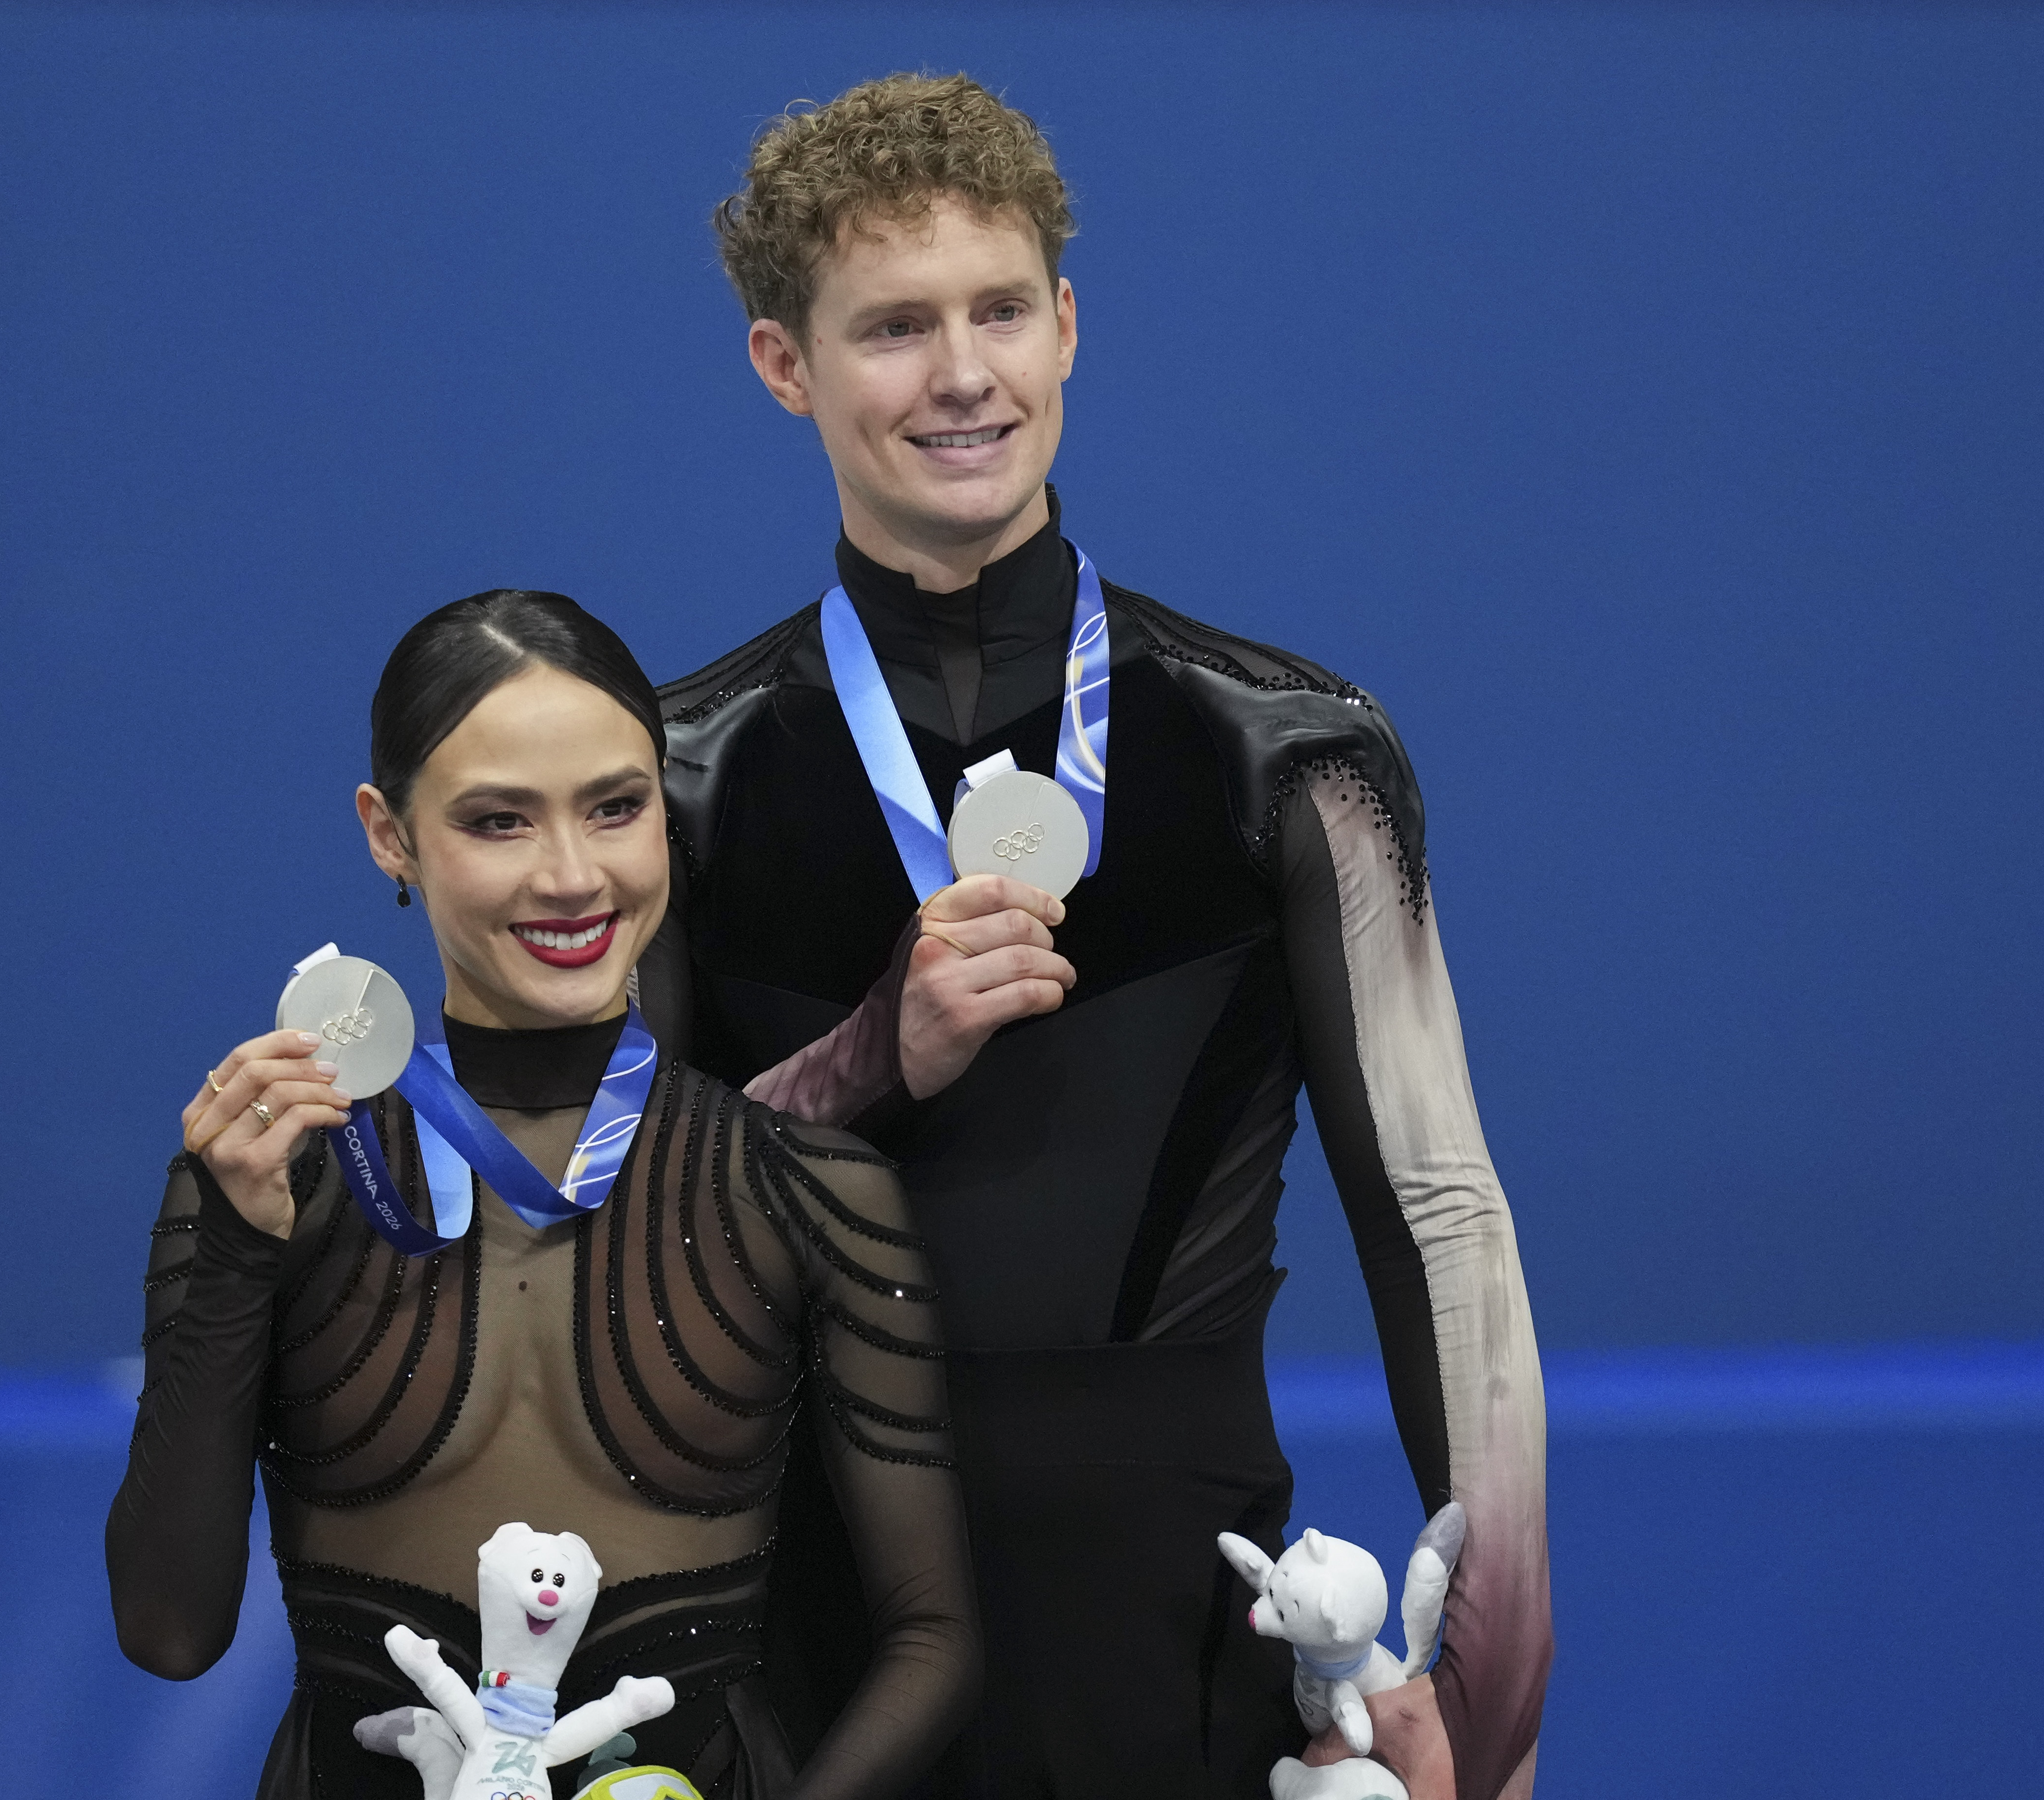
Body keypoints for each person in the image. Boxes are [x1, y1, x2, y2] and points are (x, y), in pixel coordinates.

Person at [635, 74, 1550, 1800]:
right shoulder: (674, 781)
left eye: (999, 311)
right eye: (894, 327)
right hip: (798, 1665)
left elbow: (1436, 1212)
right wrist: (865, 1061)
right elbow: (614, 1260)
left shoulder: (1295, 749)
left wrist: (1486, 1683)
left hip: (1184, 1648)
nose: (962, 373)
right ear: (785, 365)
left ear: (1066, 328)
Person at [104, 591, 980, 1798]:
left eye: (615, 807)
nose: (572, 876)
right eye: (498, 821)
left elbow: (933, 1639)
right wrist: (233, 1260)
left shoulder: (808, 1189)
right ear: (389, 835)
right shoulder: (276, 1178)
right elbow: (168, 1629)